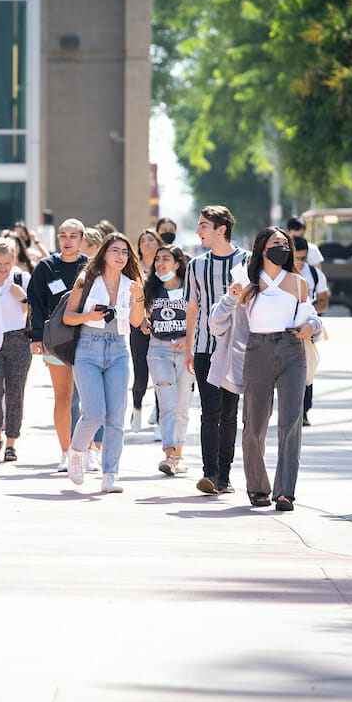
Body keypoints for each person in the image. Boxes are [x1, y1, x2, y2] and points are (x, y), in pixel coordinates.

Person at [217, 227, 321, 511]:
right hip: (257, 350)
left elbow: (311, 317)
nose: (282, 247)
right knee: (254, 424)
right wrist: (231, 297)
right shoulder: (247, 281)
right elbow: (220, 318)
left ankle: (285, 492)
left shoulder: (298, 282)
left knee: (290, 424)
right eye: (276, 243)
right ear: (262, 248)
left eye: (285, 243)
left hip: (292, 350)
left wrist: (311, 326)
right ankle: (258, 487)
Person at [61, 233, 145, 493]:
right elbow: (68, 317)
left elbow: (134, 322)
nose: (121, 256)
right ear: (104, 254)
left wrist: (139, 297)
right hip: (88, 347)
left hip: (119, 349)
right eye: (115, 251)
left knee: (116, 417)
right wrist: (88, 314)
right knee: (94, 413)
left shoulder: (132, 283)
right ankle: (76, 452)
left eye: (125, 252)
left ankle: (110, 474)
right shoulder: (86, 279)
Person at [185, 205, 250, 495]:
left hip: (236, 348)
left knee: (229, 413)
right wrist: (188, 348)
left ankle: (225, 475)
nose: (198, 231)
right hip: (204, 348)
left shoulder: (247, 261)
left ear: (221, 229)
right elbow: (192, 307)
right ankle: (209, 474)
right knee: (209, 412)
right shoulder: (195, 265)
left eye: (203, 226)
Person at [27, 218, 88, 472]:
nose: (67, 240)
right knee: (63, 397)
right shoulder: (45, 267)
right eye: (63, 235)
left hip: (88, 339)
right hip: (56, 341)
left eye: (73, 235)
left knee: (88, 398)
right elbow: (34, 303)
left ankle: (87, 451)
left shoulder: (91, 267)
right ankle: (66, 451)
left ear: (82, 239)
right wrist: (36, 337)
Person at [144, 245, 193, 476]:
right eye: (157, 260)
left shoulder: (190, 288)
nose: (160, 263)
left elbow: (199, 315)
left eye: (165, 259)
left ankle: (179, 455)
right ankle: (169, 455)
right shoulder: (150, 289)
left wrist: (187, 338)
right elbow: (137, 316)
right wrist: (142, 320)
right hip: (158, 350)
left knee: (182, 404)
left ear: (177, 263)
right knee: (167, 403)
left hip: (186, 352)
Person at [0, 238, 31, 463]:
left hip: (18, 340)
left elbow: (33, 311)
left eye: (7, 263)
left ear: (14, 260)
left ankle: (11, 441)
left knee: (15, 393)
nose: (2, 268)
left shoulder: (22, 278)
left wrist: (22, 297)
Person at [293, 236, 330, 426]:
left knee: (307, 370)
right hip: (287, 330)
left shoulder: (315, 274)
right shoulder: (279, 275)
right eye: (295, 258)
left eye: (303, 258)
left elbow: (324, 301)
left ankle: (304, 411)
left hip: (308, 329)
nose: (299, 262)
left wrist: (311, 310)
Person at [131, 228, 164, 432]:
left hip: (162, 326)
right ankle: (136, 410)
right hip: (138, 327)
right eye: (143, 240)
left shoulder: (164, 267)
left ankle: (160, 421)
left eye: (151, 239)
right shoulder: (133, 269)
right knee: (140, 374)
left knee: (161, 376)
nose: (147, 243)